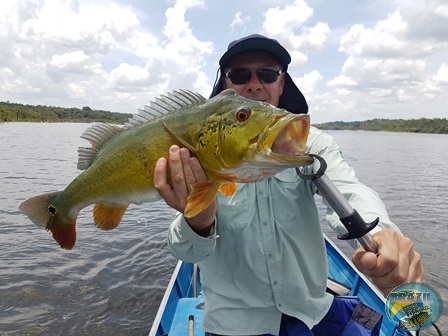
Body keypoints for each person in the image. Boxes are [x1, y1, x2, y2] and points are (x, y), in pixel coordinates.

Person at [153, 34, 424, 335]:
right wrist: (199, 220)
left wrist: (382, 235)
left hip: (311, 313)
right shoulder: (195, 152)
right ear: (225, 87)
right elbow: (186, 253)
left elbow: (350, 189)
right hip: (233, 325)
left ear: (281, 84)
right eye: (240, 75)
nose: (254, 84)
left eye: (267, 74)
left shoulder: (310, 143)